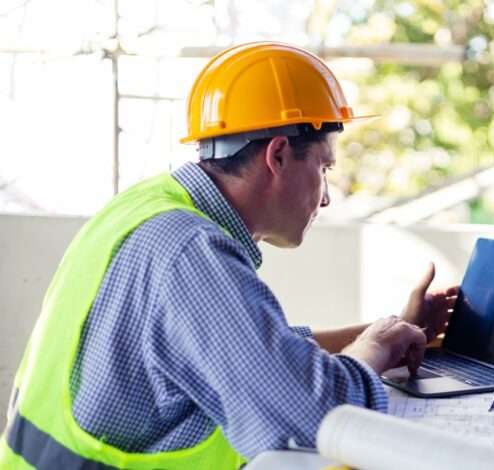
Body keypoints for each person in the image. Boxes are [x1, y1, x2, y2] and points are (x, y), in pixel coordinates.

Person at [0, 42, 457, 469]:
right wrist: (376, 349)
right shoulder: (190, 252)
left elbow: (258, 355)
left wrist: (389, 329)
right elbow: (313, 412)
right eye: (324, 168)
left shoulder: (147, 208)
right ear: (278, 155)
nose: (325, 199)